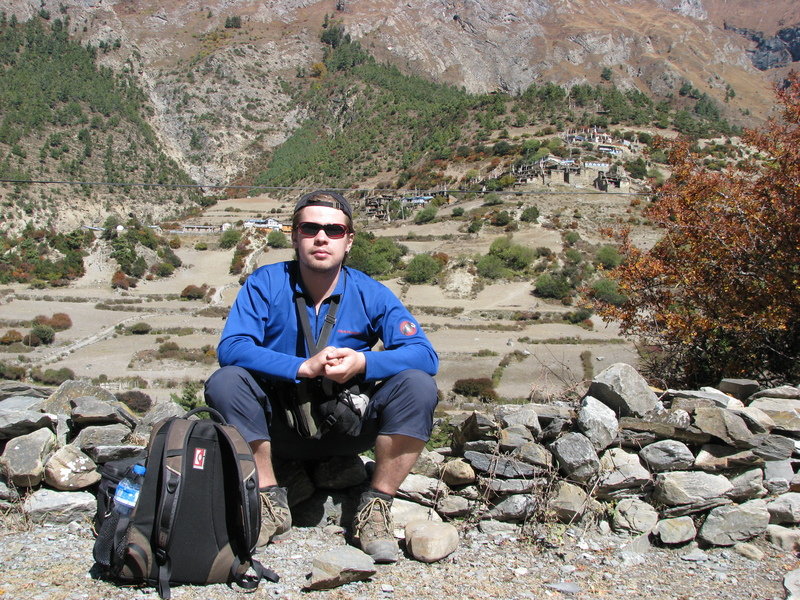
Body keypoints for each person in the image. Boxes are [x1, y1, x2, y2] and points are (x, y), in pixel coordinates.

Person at [204, 190, 439, 563]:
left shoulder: (371, 293)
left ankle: (375, 509)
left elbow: (425, 355)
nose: (321, 238)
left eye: (334, 230)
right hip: (276, 430)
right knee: (226, 381)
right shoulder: (265, 283)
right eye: (310, 228)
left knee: (418, 384)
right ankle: (268, 501)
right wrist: (301, 367)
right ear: (295, 236)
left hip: (348, 427)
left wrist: (362, 363)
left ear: (349, 240)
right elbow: (232, 347)